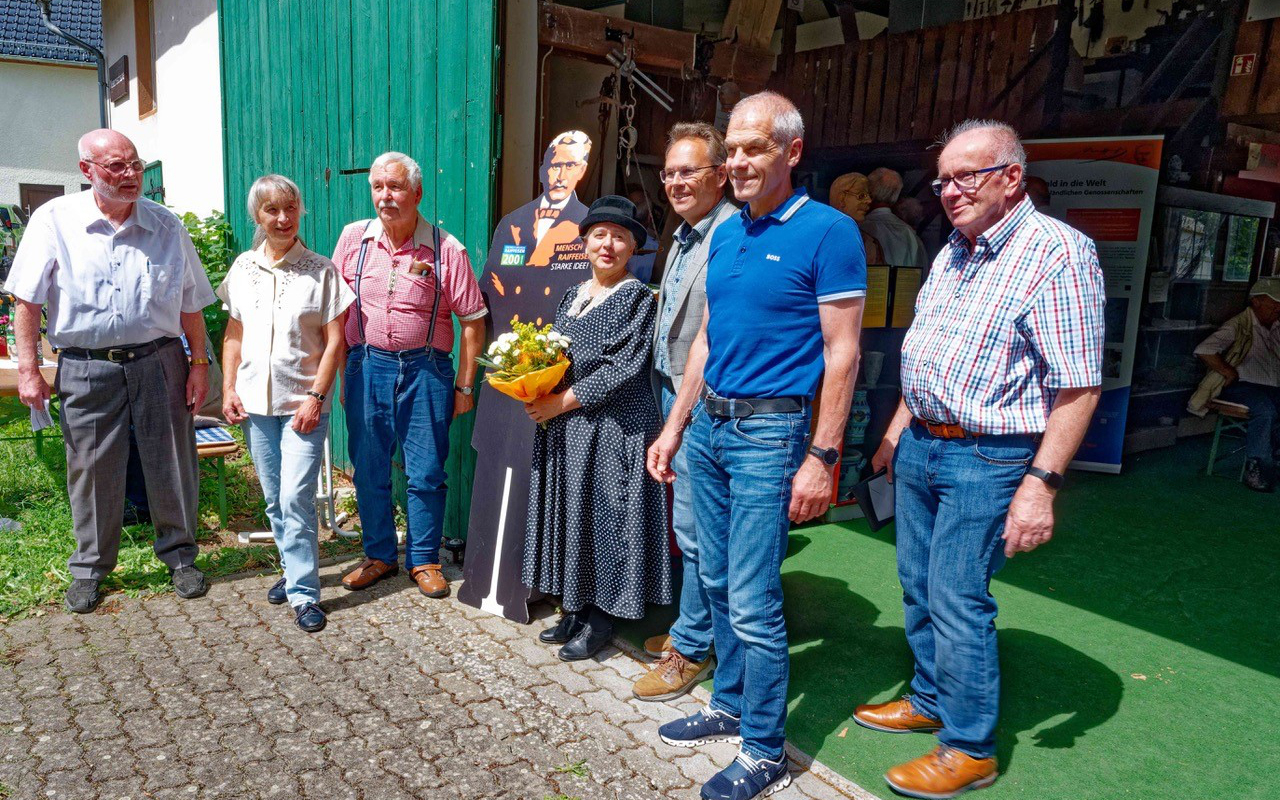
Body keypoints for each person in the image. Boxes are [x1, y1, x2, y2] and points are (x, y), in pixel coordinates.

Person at [854, 120, 1104, 799]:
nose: (949, 191)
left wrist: (1041, 485)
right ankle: (931, 698)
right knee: (917, 584)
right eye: (942, 180)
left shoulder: (1059, 253)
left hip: (991, 457)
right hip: (923, 445)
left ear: (1011, 177)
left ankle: (969, 747)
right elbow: (927, 354)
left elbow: (1078, 384)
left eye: (966, 176)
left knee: (959, 598)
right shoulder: (954, 250)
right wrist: (895, 431)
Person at [648, 91, 867, 800]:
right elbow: (708, 339)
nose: (737, 161)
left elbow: (843, 354)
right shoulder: (730, 232)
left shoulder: (828, 232)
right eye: (732, 150)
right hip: (708, 424)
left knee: (752, 597)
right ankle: (731, 705)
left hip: (770, 433)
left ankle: (766, 748)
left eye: (753, 148)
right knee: (711, 576)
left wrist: (823, 456)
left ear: (791, 152)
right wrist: (676, 426)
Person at [4, 129, 217, 613]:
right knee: (92, 469)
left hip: (161, 359)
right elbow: (27, 301)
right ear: (87, 171)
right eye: (116, 167)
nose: (130, 175)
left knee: (172, 462)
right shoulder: (54, 221)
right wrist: (29, 369)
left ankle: (181, 557)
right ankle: (91, 568)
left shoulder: (165, 225)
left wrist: (199, 364)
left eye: (135, 165)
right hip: (86, 367)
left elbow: (191, 305)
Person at [523, 195, 672, 662]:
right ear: (585, 242)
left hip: (615, 428)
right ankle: (576, 604)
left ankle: (603, 618)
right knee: (577, 514)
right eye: (600, 235)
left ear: (632, 248)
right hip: (573, 426)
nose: (608, 245)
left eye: (620, 237)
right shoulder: (575, 293)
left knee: (608, 518)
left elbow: (621, 369)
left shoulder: (638, 299)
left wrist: (556, 403)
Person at [332, 152, 487, 599]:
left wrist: (464, 384)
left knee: (426, 472)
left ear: (417, 193)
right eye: (378, 187)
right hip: (367, 365)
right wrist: (344, 375)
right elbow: (336, 313)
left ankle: (424, 560)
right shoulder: (353, 240)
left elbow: (472, 321)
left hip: (426, 370)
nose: (386, 196)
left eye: (395, 187)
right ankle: (379, 554)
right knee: (369, 469)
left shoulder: (445, 248)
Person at [217, 175, 353, 632]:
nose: (282, 218)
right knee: (275, 498)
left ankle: (304, 594)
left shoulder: (322, 270)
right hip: (255, 404)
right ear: (257, 215)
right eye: (272, 210)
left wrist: (317, 396)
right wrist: (228, 388)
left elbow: (336, 343)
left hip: (303, 405)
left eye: (290, 209)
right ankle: (292, 568)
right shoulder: (242, 268)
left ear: (300, 212)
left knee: (296, 497)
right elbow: (233, 334)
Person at [632, 122, 736, 703]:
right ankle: (692, 628)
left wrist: (681, 409)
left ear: (720, 175)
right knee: (687, 526)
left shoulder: (728, 233)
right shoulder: (685, 233)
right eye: (669, 172)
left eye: (688, 171)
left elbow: (711, 334)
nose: (675, 182)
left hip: (702, 400)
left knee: (697, 531)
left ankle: (693, 647)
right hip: (673, 393)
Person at [1191, 277, 1280, 492]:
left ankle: (1273, 459)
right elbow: (1204, 349)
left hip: (1272, 387)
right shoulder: (1238, 324)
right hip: (1243, 387)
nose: (1278, 308)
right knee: (1265, 411)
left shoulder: (1277, 326)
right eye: (1274, 303)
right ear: (1256, 301)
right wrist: (1227, 370)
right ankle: (1256, 466)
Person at [491, 131, 592, 268]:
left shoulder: (589, 225)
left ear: (581, 170)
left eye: (569, 166)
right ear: (543, 171)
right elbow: (492, 277)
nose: (561, 176)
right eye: (556, 166)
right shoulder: (512, 221)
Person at [862, 167, 929, 269]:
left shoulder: (859, 229)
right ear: (896, 194)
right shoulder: (910, 234)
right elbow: (923, 274)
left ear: (869, 191)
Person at [830, 171, 884, 264]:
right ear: (842, 198)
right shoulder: (820, 238)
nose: (869, 201)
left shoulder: (871, 243)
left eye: (869, 195)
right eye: (861, 195)